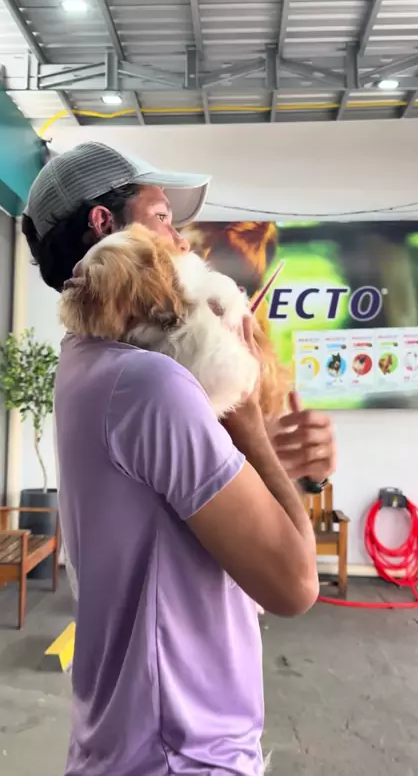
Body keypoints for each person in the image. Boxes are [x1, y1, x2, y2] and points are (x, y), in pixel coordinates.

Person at [23, 142, 336, 776]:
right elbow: (294, 583)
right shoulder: (149, 385)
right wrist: (248, 421)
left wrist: (279, 460)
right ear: (106, 226)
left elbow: (182, 528)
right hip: (182, 755)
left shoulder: (89, 367)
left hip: (136, 744)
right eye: (163, 217)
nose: (181, 241)